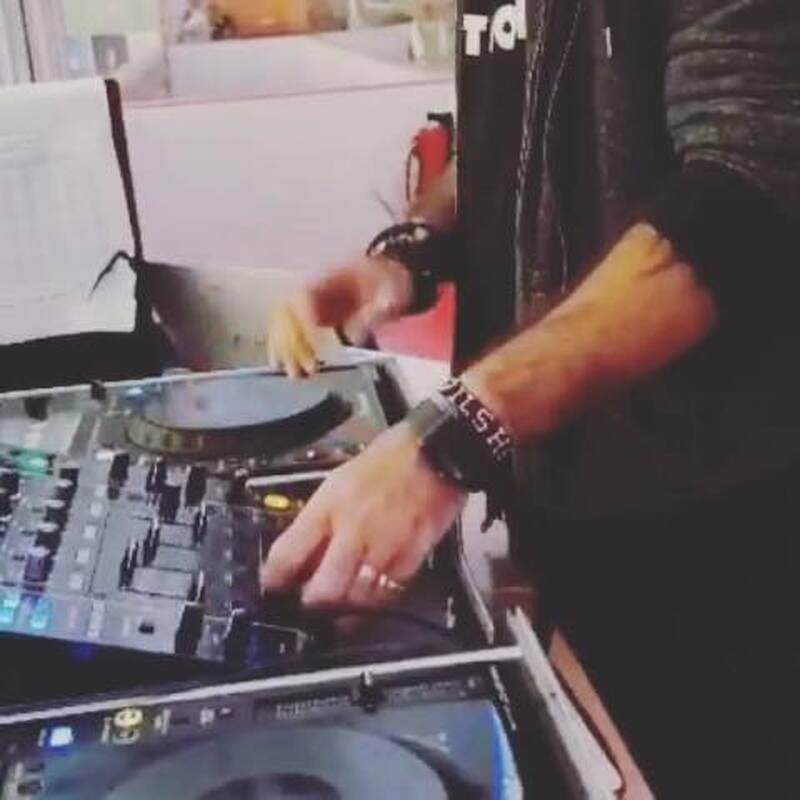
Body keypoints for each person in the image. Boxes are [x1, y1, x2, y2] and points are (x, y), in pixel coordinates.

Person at [262, 1, 800, 795]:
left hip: (727, 524)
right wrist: (407, 254)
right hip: (570, 506)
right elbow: (501, 144)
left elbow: (748, 190)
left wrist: (455, 435)